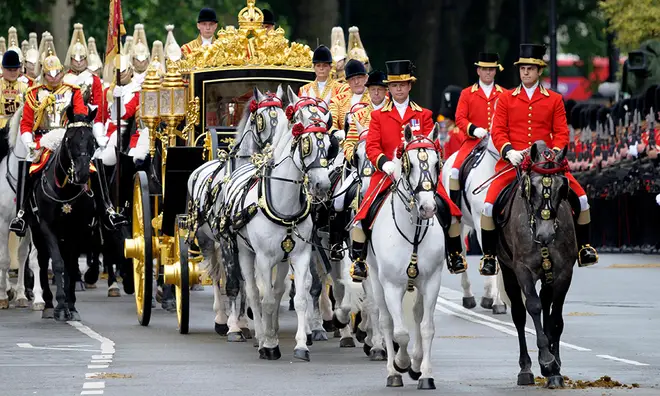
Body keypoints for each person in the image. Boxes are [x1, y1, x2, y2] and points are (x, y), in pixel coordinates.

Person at [479, 44, 599, 276]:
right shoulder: (505, 99)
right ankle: (489, 256)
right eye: (523, 68)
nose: (525, 72)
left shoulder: (554, 99)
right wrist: (508, 151)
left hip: (547, 166)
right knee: (488, 205)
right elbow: (499, 131)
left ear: (539, 71)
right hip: (513, 163)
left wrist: (552, 153)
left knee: (582, 199)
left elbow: (562, 132)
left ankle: (584, 247)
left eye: (530, 68)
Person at [350, 60, 467, 282]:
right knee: (363, 213)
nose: (399, 89)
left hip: (421, 174)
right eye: (394, 85)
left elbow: (433, 145)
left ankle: (455, 254)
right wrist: (385, 162)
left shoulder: (423, 114)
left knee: (450, 210)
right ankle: (359, 261)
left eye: (403, 84)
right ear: (389, 88)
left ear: (410, 86)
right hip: (386, 174)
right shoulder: (378, 116)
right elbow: (372, 146)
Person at [10, 51, 126, 237]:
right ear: (44, 74)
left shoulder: (73, 91)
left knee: (92, 164)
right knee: (28, 164)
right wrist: (29, 142)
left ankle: (107, 208)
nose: (54, 78)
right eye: (49, 74)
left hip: (67, 137)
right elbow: (26, 124)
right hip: (43, 140)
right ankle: (22, 213)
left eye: (57, 74)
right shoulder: (33, 94)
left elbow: (80, 115)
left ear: (62, 73)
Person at [449, 52, 505, 206]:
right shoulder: (467, 93)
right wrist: (473, 130)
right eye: (484, 69)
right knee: (454, 172)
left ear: (495, 71)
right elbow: (460, 118)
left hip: (498, 143)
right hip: (472, 142)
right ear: (478, 71)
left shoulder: (504, 94)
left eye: (491, 69)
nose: (488, 72)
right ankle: (456, 211)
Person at [63, 23, 106, 147]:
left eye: (82, 59)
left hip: (89, 121)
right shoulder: (63, 78)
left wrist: (98, 130)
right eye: (75, 59)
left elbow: (98, 105)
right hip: (67, 121)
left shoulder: (94, 79)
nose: (78, 63)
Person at [0, 50, 29, 128]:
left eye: (15, 69)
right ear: (2, 68)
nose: (13, 73)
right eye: (9, 70)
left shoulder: (26, 87)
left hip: (19, 129)